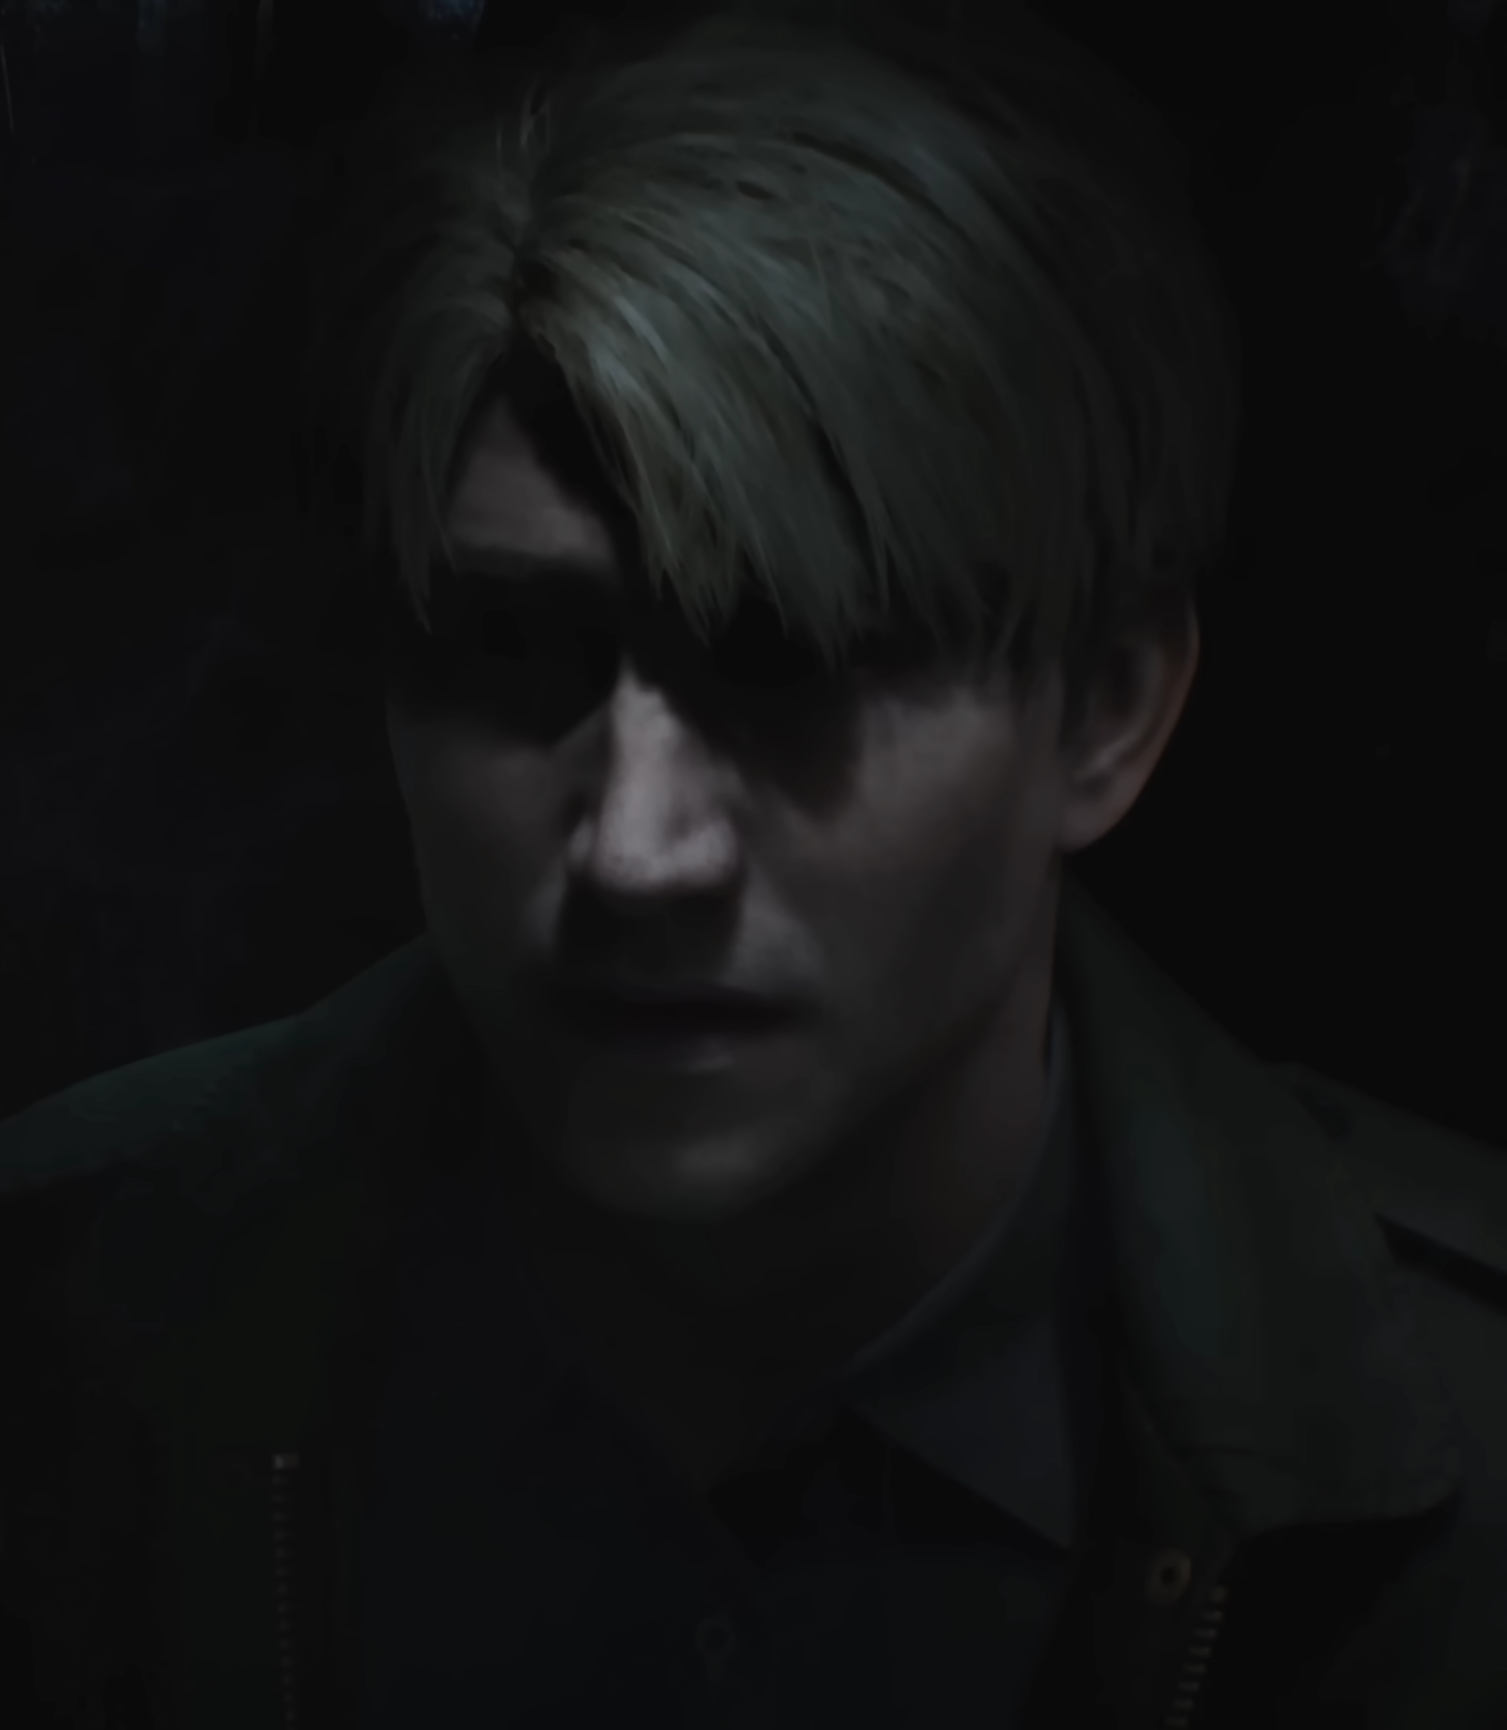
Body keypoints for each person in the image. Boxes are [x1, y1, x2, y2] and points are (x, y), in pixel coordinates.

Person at [2, 5, 1504, 1727]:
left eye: (793, 660)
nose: (637, 850)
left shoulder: (1468, 1449)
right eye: (513, 648)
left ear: (1103, 710)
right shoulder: (50, 1340)